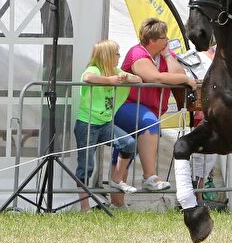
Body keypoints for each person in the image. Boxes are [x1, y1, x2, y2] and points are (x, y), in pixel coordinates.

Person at [113, 18, 197, 192]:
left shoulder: (164, 54)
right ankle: (149, 177)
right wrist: (185, 79)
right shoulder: (137, 53)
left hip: (146, 109)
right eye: (164, 38)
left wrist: (168, 56)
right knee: (150, 123)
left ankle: (117, 202)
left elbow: (178, 73)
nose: (167, 40)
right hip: (126, 105)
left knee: (126, 151)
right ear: (152, 41)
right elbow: (155, 77)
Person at [74, 40, 140, 212]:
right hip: (87, 124)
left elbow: (138, 79)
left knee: (129, 143)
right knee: (86, 166)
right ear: (107, 55)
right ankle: (85, 207)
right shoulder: (94, 69)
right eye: (117, 53)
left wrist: (127, 77)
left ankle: (116, 179)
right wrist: (109, 80)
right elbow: (88, 78)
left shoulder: (116, 71)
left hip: (105, 124)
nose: (119, 56)